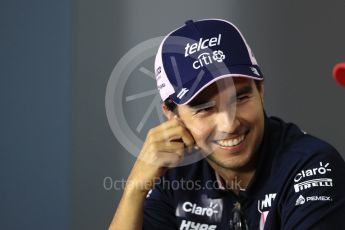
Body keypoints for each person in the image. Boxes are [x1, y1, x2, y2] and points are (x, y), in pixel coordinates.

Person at [109, 19, 345, 230]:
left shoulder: (312, 166)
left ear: (260, 90)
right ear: (173, 115)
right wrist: (134, 190)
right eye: (204, 109)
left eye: (240, 99)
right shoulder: (176, 174)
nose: (229, 124)